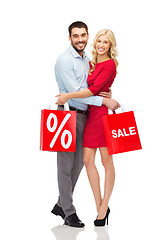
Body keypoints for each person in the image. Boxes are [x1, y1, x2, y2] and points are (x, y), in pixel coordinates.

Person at [52, 21, 120, 228]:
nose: (80, 39)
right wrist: (103, 100)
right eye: (76, 36)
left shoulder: (87, 60)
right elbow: (82, 93)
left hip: (87, 116)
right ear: (70, 38)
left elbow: (93, 88)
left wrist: (106, 95)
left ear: (87, 36)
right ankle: (68, 211)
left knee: (80, 162)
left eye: (83, 35)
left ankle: (60, 203)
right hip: (69, 115)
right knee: (65, 165)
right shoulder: (65, 61)